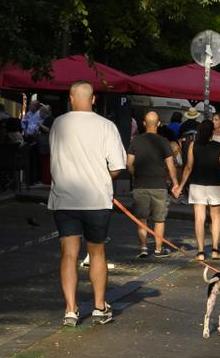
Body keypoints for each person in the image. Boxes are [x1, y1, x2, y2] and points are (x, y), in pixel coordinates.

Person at [48, 81, 126, 327]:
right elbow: (117, 167)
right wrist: (101, 176)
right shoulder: (106, 126)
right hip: (96, 199)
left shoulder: (59, 124)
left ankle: (71, 309)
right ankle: (99, 306)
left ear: (71, 97)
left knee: (68, 254)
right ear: (93, 100)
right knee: (97, 253)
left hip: (64, 198)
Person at [180, 111, 220, 262]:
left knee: (199, 218)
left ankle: (201, 252)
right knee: (216, 217)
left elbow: (188, 167)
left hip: (197, 184)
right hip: (215, 185)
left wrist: (181, 185)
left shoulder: (193, 145)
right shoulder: (219, 147)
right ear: (211, 132)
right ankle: (215, 250)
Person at [126, 110, 178, 260]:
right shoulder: (163, 142)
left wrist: (135, 173)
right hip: (159, 185)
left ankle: (143, 248)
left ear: (143, 123)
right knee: (159, 219)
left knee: (142, 218)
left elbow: (129, 163)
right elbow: (170, 165)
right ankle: (158, 249)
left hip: (140, 184)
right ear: (159, 124)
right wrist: (175, 183)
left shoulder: (135, 141)